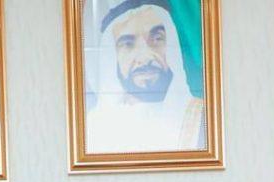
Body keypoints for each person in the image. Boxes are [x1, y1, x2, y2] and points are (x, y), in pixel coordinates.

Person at [86, 0, 205, 153]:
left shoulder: (203, 118)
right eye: (128, 44)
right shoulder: (94, 129)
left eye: (157, 39)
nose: (145, 57)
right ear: (112, 57)